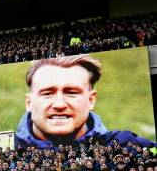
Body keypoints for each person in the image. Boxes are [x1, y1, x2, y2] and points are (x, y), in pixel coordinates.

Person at [15, 54, 155, 148]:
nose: (59, 104)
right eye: (47, 93)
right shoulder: (1, 149)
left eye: (71, 93)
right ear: (29, 103)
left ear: (91, 100)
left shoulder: (128, 145)